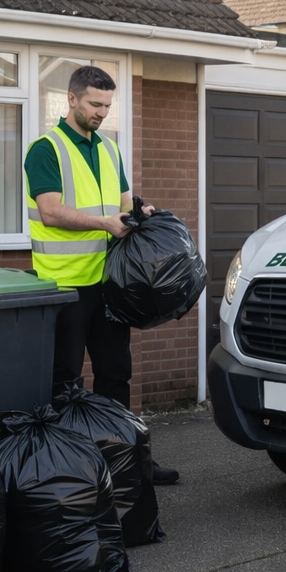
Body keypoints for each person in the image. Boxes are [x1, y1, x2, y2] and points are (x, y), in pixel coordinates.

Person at [24, 65, 179, 485]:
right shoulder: (45, 150)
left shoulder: (109, 149)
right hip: (65, 286)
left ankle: (126, 463)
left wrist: (140, 212)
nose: (101, 113)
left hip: (109, 285)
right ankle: (67, 473)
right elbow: (51, 212)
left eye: (107, 106)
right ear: (71, 98)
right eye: (95, 104)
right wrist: (105, 224)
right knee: (65, 381)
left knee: (115, 374)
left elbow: (123, 203)